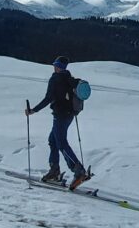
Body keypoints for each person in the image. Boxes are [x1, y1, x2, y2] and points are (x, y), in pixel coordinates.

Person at [25, 55, 90, 188]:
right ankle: (54, 170)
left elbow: (49, 98)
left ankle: (79, 171)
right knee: (53, 140)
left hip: (60, 115)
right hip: (70, 115)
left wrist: (33, 110)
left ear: (58, 66)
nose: (54, 67)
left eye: (55, 65)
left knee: (60, 142)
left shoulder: (56, 79)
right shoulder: (70, 78)